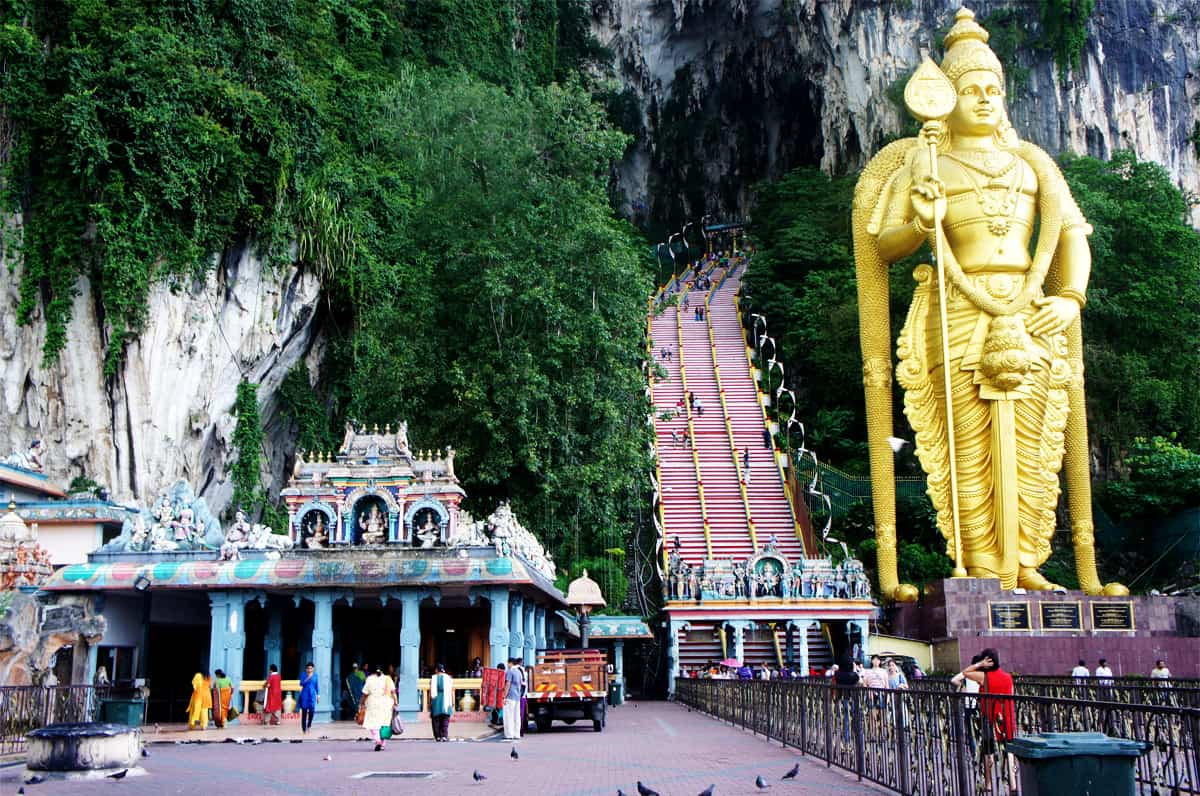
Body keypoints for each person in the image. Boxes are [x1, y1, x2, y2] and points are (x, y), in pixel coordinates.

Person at [854, 7, 1127, 599]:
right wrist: (922, 218)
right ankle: (980, 564)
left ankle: (1028, 559)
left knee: (1037, 438)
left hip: (1029, 306)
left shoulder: (1033, 164)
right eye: (969, 89)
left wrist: (1072, 297)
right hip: (956, 303)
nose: (983, 99)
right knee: (967, 440)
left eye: (992, 89)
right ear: (943, 98)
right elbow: (885, 242)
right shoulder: (923, 162)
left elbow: (1072, 236)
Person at [960, 649, 1016, 785]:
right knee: (1008, 752)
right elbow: (1011, 697)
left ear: (987, 661)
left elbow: (965, 673)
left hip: (990, 719)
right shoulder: (1008, 677)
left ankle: (989, 784)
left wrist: (979, 664)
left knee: (988, 752)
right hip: (1006, 719)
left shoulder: (984, 677)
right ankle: (1013, 785)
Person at [951, 654, 984, 756]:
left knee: (970, 731)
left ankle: (974, 753)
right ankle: (984, 752)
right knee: (982, 729)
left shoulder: (968, 673)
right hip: (980, 704)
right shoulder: (983, 674)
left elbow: (954, 680)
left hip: (969, 704)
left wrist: (961, 685)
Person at [362, 664, 397, 751]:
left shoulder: (369, 679)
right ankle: (383, 743)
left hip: (373, 704)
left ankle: (377, 740)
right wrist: (396, 702)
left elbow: (365, 693)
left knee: (373, 723)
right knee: (384, 724)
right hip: (386, 703)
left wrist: (361, 703)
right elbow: (393, 692)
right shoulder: (388, 679)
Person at [429, 663, 454, 742]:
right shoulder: (448, 678)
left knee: (436, 719)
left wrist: (430, 702)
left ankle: (438, 736)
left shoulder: (433, 678)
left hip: (436, 699)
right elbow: (451, 691)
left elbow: (430, 691)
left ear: (436, 670)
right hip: (446, 699)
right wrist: (452, 702)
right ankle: (444, 736)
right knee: (445, 719)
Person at [502, 657, 524, 740]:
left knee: (508, 716)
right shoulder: (519, 672)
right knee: (516, 716)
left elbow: (508, 684)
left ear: (510, 663)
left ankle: (509, 734)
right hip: (517, 697)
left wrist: (504, 695)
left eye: (508, 663)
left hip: (510, 696)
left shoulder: (510, 671)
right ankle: (516, 734)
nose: (507, 665)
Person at [299, 662, 319, 734]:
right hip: (305, 694)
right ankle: (304, 729)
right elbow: (301, 684)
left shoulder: (316, 675)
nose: (309, 670)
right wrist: (308, 678)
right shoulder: (303, 674)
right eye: (308, 668)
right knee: (304, 712)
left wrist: (318, 695)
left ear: (313, 669)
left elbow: (317, 686)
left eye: (311, 668)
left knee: (312, 711)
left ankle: (309, 725)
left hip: (312, 695)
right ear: (306, 669)